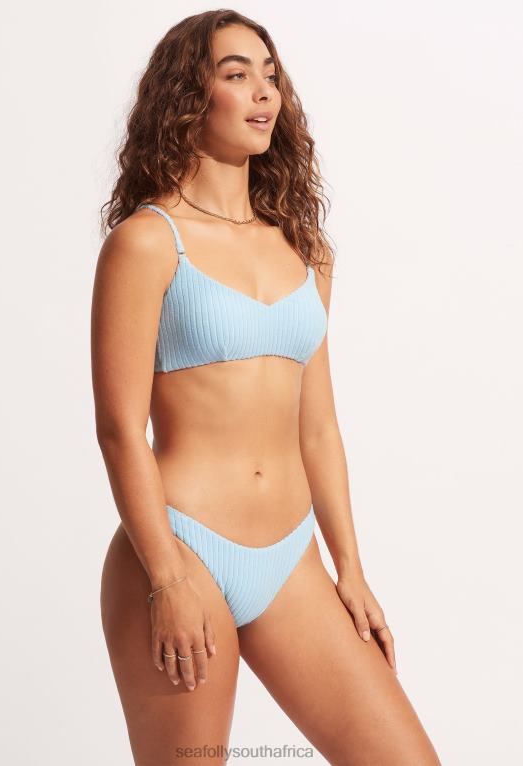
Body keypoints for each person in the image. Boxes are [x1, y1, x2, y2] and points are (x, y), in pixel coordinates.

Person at [91, 9, 441, 766]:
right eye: (236, 73)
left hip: (291, 560)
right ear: (189, 95)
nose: (263, 93)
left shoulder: (304, 251)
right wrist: (166, 578)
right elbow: (119, 429)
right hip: (181, 548)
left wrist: (350, 569)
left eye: (271, 75)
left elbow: (317, 426)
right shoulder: (147, 241)